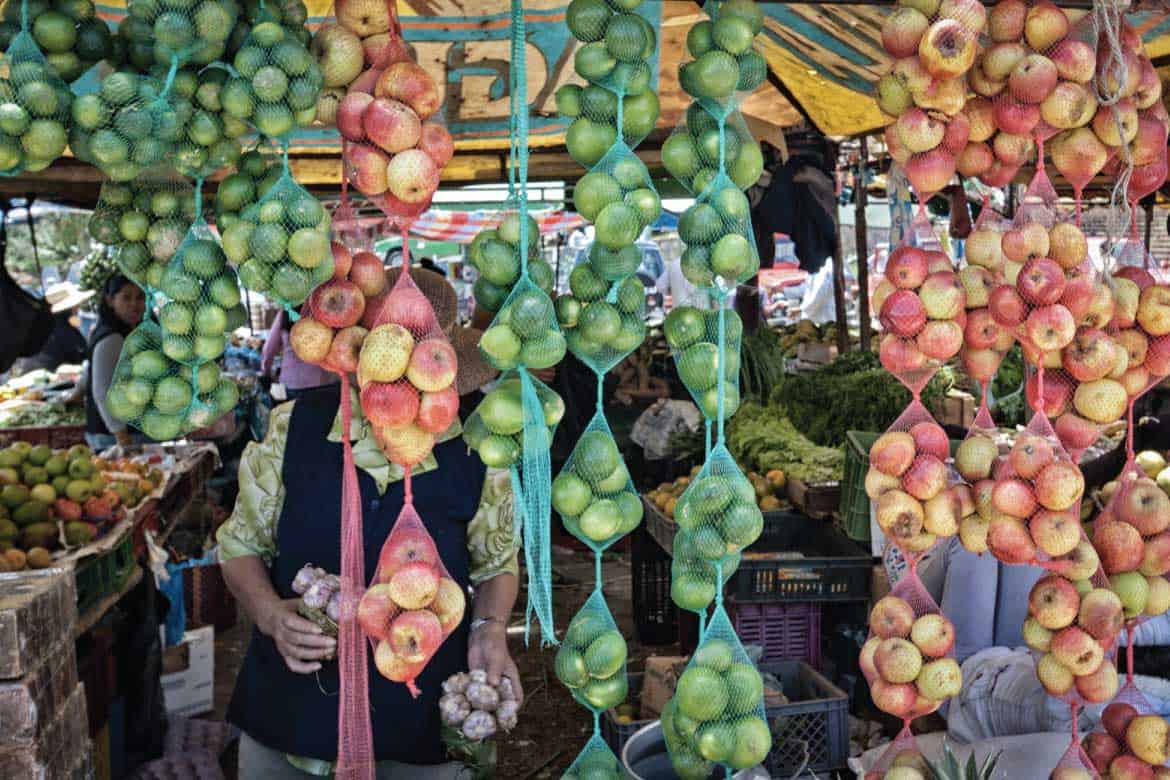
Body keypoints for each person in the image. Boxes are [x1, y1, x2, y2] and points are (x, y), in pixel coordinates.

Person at [218, 267, 522, 779]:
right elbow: (239, 544)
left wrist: (490, 630)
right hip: (295, 700)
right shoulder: (296, 426)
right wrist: (270, 615)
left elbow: (496, 563)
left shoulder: (476, 441)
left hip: (422, 705)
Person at [85, 275, 145, 451]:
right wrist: (122, 437)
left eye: (140, 297)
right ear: (110, 300)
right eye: (126, 297)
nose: (134, 304)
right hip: (115, 437)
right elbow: (102, 391)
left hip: (117, 432)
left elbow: (89, 374)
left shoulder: (126, 331)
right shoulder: (112, 338)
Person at [261, 310, 339, 400]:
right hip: (328, 380)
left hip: (295, 383)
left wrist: (266, 372)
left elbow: (269, 349)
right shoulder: (325, 310)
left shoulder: (286, 312)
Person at [17, 282, 90, 373]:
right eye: (75, 305)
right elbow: (83, 360)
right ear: (69, 308)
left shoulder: (43, 326)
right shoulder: (64, 331)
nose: (77, 307)